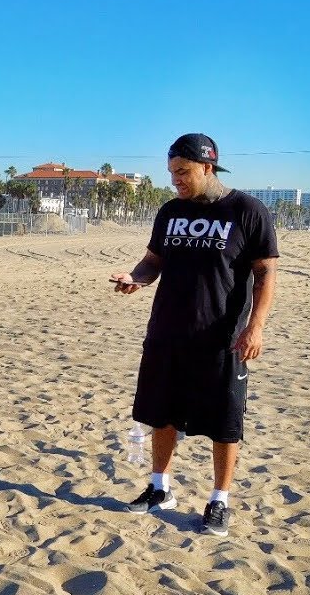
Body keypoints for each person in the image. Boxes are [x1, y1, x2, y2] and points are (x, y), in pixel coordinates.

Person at [111, 133, 279, 536]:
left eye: (183, 172)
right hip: (167, 331)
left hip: (223, 338)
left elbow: (265, 274)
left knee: (225, 421)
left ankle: (219, 500)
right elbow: (153, 261)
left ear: (207, 167)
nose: (176, 180)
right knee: (162, 412)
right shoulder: (170, 211)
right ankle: (159, 488)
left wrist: (255, 327)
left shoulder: (247, 211)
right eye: (172, 172)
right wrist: (136, 278)